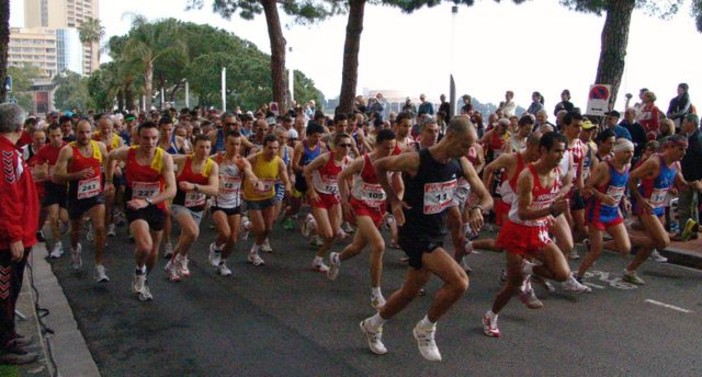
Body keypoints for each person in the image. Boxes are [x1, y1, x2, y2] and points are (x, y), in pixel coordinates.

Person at [359, 116, 493, 361]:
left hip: (436, 231)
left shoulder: (461, 162)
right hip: (413, 231)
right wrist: (393, 199)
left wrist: (477, 209)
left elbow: (486, 197)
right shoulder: (416, 159)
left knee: (410, 290)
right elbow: (380, 166)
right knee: (459, 281)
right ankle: (426, 328)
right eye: (465, 144)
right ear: (450, 136)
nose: (468, 151)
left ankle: (372, 324)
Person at [482, 132, 587, 339]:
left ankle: (529, 268)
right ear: (543, 150)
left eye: (563, 151)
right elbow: (523, 212)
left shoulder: (556, 173)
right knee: (513, 284)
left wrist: (548, 213)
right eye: (556, 150)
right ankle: (491, 315)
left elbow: (545, 202)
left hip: (538, 230)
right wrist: (551, 211)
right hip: (517, 231)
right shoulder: (527, 176)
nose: (560, 155)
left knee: (562, 274)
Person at [105, 121, 177, 301]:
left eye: (154, 138)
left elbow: (171, 190)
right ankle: (139, 270)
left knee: (153, 252)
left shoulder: (164, 157)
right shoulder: (128, 153)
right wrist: (108, 180)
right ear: (138, 137)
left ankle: (144, 278)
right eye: (146, 138)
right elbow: (111, 156)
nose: (150, 142)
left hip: (155, 204)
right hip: (134, 204)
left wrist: (148, 201)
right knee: (145, 246)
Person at [328, 129, 398, 309]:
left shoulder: (393, 162)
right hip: (360, 206)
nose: (389, 151)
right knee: (379, 245)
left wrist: (396, 202)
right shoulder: (363, 161)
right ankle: (376, 293)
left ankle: (337, 258)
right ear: (376, 145)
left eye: (392, 148)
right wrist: (344, 202)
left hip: (378, 208)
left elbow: (398, 184)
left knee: (357, 247)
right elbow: (341, 176)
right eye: (385, 148)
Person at [627, 134, 701, 284]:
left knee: (654, 242)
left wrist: (692, 184)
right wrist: (640, 199)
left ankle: (630, 270)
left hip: (659, 206)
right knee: (663, 241)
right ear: (670, 147)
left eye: (685, 150)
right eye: (681, 149)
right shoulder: (654, 162)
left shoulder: (676, 165)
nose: (684, 153)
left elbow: (681, 184)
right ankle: (628, 239)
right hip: (647, 206)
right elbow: (631, 178)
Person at [0, 103, 40, 365]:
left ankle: (9, 334)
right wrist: (14, 236)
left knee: (11, 291)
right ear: (19, 126)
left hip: (18, 235)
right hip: (8, 240)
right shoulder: (5, 156)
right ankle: (4, 345)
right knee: (4, 292)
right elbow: (7, 199)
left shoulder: (11, 152)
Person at [53, 120, 110, 280]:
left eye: (87, 132)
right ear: (75, 132)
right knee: (75, 230)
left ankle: (99, 266)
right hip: (76, 195)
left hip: (95, 193)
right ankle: (74, 249)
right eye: (81, 132)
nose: (84, 136)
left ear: (92, 132)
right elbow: (56, 176)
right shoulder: (68, 151)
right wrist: (77, 175)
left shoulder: (99, 147)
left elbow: (109, 160)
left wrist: (111, 175)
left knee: (99, 228)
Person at [576, 139, 634, 282]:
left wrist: (624, 198)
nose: (630, 155)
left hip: (613, 211)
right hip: (597, 211)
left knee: (625, 247)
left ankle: (594, 245)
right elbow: (587, 187)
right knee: (596, 251)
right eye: (626, 152)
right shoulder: (604, 167)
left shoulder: (627, 166)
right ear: (618, 152)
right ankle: (579, 276)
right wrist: (602, 196)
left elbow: (621, 186)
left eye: (632, 152)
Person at [164, 135, 219, 282]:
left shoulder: (212, 165)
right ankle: (182, 258)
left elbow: (214, 189)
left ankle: (171, 264)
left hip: (197, 207)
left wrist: (194, 187)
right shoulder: (184, 160)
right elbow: (163, 157)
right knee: (193, 233)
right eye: (201, 147)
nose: (204, 150)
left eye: (208, 147)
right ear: (194, 147)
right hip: (178, 204)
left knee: (186, 238)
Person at [208, 131, 259, 276]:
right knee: (225, 233)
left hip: (234, 203)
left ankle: (222, 263)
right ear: (225, 143)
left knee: (233, 238)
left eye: (238, 144)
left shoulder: (242, 162)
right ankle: (215, 248)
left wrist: (255, 181)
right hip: (218, 202)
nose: (235, 147)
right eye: (232, 144)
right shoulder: (215, 160)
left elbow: (249, 173)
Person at [303, 132, 353, 272]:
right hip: (320, 197)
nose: (347, 148)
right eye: (343, 145)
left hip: (334, 198)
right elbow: (307, 170)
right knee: (328, 234)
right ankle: (313, 222)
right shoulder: (324, 159)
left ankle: (318, 261)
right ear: (335, 146)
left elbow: (349, 178)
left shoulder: (348, 161)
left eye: (349, 145)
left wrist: (347, 197)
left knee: (335, 234)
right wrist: (311, 190)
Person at [243, 134, 291, 266]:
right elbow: (242, 170)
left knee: (268, 229)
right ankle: (249, 228)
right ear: (263, 147)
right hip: (253, 197)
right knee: (260, 228)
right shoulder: (254, 159)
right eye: (270, 148)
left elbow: (285, 178)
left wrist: (288, 187)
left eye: (276, 148)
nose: (273, 151)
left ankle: (253, 251)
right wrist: (243, 188)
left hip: (269, 196)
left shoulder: (279, 162)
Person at [35, 124, 69, 259]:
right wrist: (48, 175)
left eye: (58, 135)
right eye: (53, 136)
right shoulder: (44, 151)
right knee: (53, 216)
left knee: (65, 218)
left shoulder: (68, 147)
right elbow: (38, 171)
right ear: (48, 136)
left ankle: (67, 230)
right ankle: (58, 244)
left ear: (62, 135)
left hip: (66, 187)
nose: (56, 138)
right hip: (51, 187)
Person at [676, 114, 702, 240]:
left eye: (685, 122)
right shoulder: (692, 137)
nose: (683, 124)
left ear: (692, 123)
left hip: (691, 178)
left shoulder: (697, 139)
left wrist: (695, 179)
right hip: (691, 177)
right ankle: (693, 231)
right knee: (692, 207)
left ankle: (684, 233)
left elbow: (696, 161)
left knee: (685, 207)